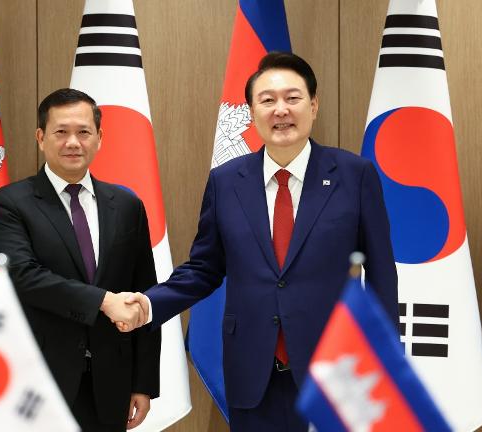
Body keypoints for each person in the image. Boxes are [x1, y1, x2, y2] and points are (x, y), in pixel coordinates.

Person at [125, 52, 398, 431]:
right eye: (267, 100)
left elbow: (382, 273)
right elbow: (205, 267)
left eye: (293, 98)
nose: (280, 110)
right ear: (252, 111)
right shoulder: (226, 181)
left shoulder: (354, 175)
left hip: (338, 370)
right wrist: (148, 304)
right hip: (254, 372)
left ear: (314, 105)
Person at [0, 88, 161, 431]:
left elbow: (144, 291)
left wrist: (143, 383)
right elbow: (22, 275)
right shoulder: (10, 203)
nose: (73, 142)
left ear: (99, 137)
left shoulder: (126, 205)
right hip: (39, 378)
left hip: (111, 380)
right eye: (61, 132)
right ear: (41, 137)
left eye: (83, 132)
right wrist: (103, 301)